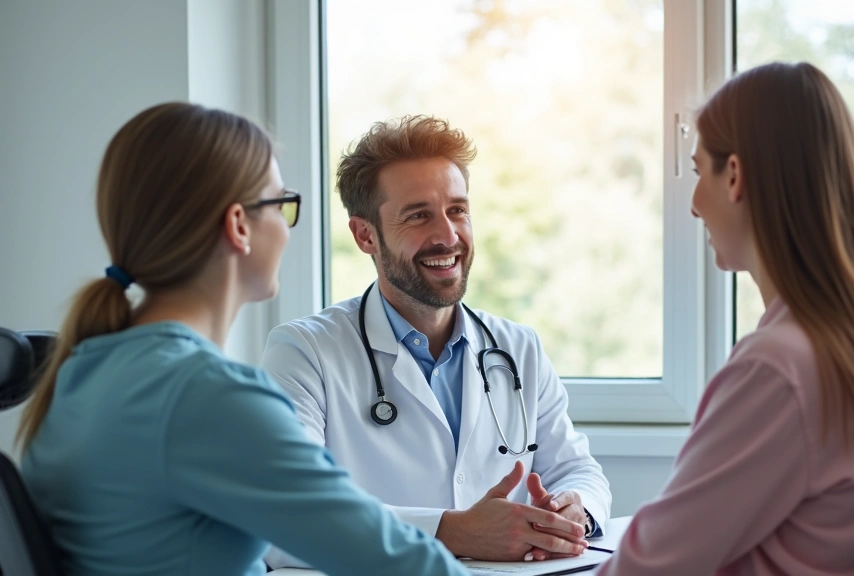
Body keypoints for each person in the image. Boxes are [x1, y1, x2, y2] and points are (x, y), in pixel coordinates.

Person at [17, 103, 468, 576]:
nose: (287, 231)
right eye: (281, 205)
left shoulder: (87, 366)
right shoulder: (204, 396)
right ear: (238, 226)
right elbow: (396, 560)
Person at [596, 62, 854, 575]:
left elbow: (645, 569)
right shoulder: (853, 341)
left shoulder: (780, 367)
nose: (693, 206)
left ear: (734, 177)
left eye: (699, 172)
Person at [261, 115, 611, 566]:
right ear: (366, 235)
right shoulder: (303, 352)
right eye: (418, 215)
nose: (448, 236)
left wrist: (573, 510)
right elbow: (287, 518)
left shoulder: (518, 347)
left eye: (457, 210)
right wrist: (452, 531)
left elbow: (577, 470)